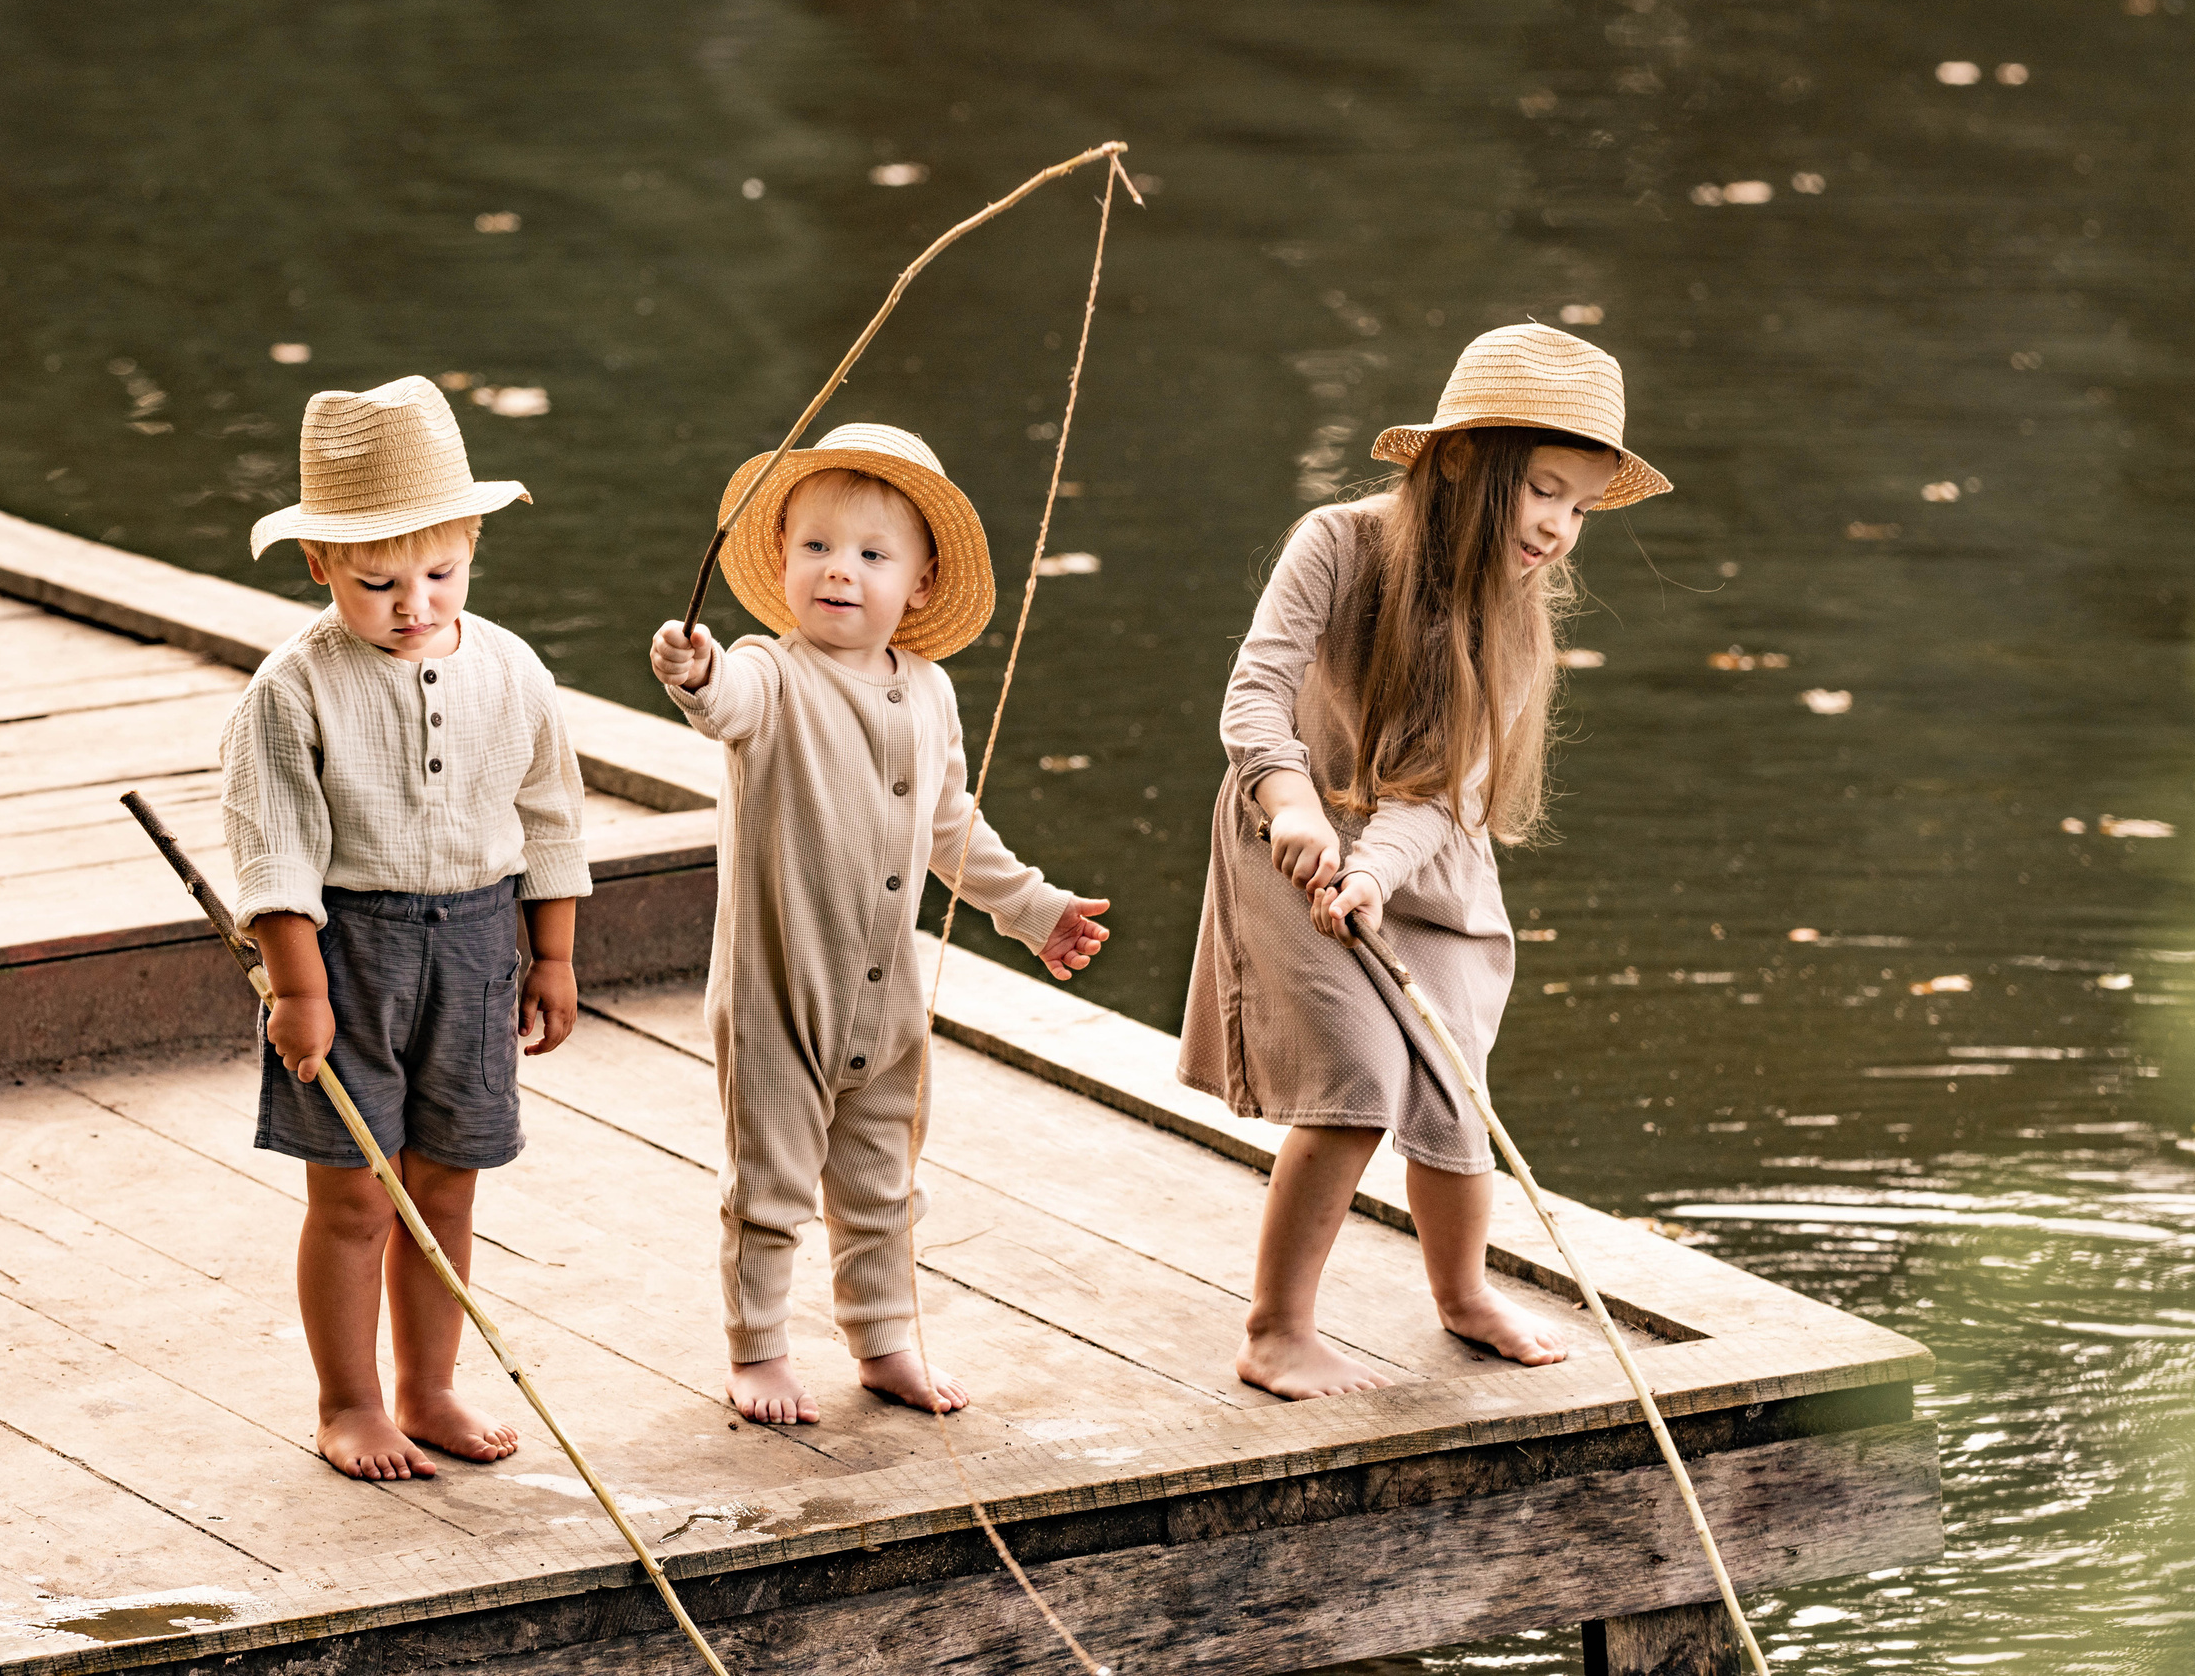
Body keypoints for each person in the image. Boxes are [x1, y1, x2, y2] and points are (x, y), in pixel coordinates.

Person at [1179, 324, 1673, 1399]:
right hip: (1285, 836)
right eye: (1543, 489)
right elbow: (1254, 693)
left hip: (1424, 860)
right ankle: (1275, 1329)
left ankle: (1461, 1294)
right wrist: (1295, 806)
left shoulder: (1512, 621)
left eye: (1579, 507)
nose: (1557, 526)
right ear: (1458, 464)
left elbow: (1444, 793)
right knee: (1357, 1076)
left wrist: (1375, 870)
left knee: (1453, 1091)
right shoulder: (1335, 543)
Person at [651, 422, 1111, 1426]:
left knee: (881, 1182)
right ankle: (759, 1348)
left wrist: (1031, 909)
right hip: (783, 990)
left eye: (871, 554)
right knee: (769, 1184)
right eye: (815, 547)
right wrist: (693, 671)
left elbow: (949, 823)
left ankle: (884, 1337)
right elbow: (721, 702)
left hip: (887, 996)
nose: (840, 573)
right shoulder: (770, 676)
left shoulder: (931, 690)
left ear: (921, 581)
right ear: (781, 564)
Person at [222, 374, 589, 1478]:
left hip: (479, 947)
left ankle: (430, 1385)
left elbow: (551, 813)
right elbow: (273, 847)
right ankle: (350, 1401)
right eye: (378, 581)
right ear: (320, 562)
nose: (414, 602)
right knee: (352, 1191)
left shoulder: (512, 668)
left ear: (472, 543)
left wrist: (554, 954)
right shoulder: (292, 690)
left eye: (442, 573)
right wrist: (299, 988)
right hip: (349, 955)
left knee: (445, 1180)